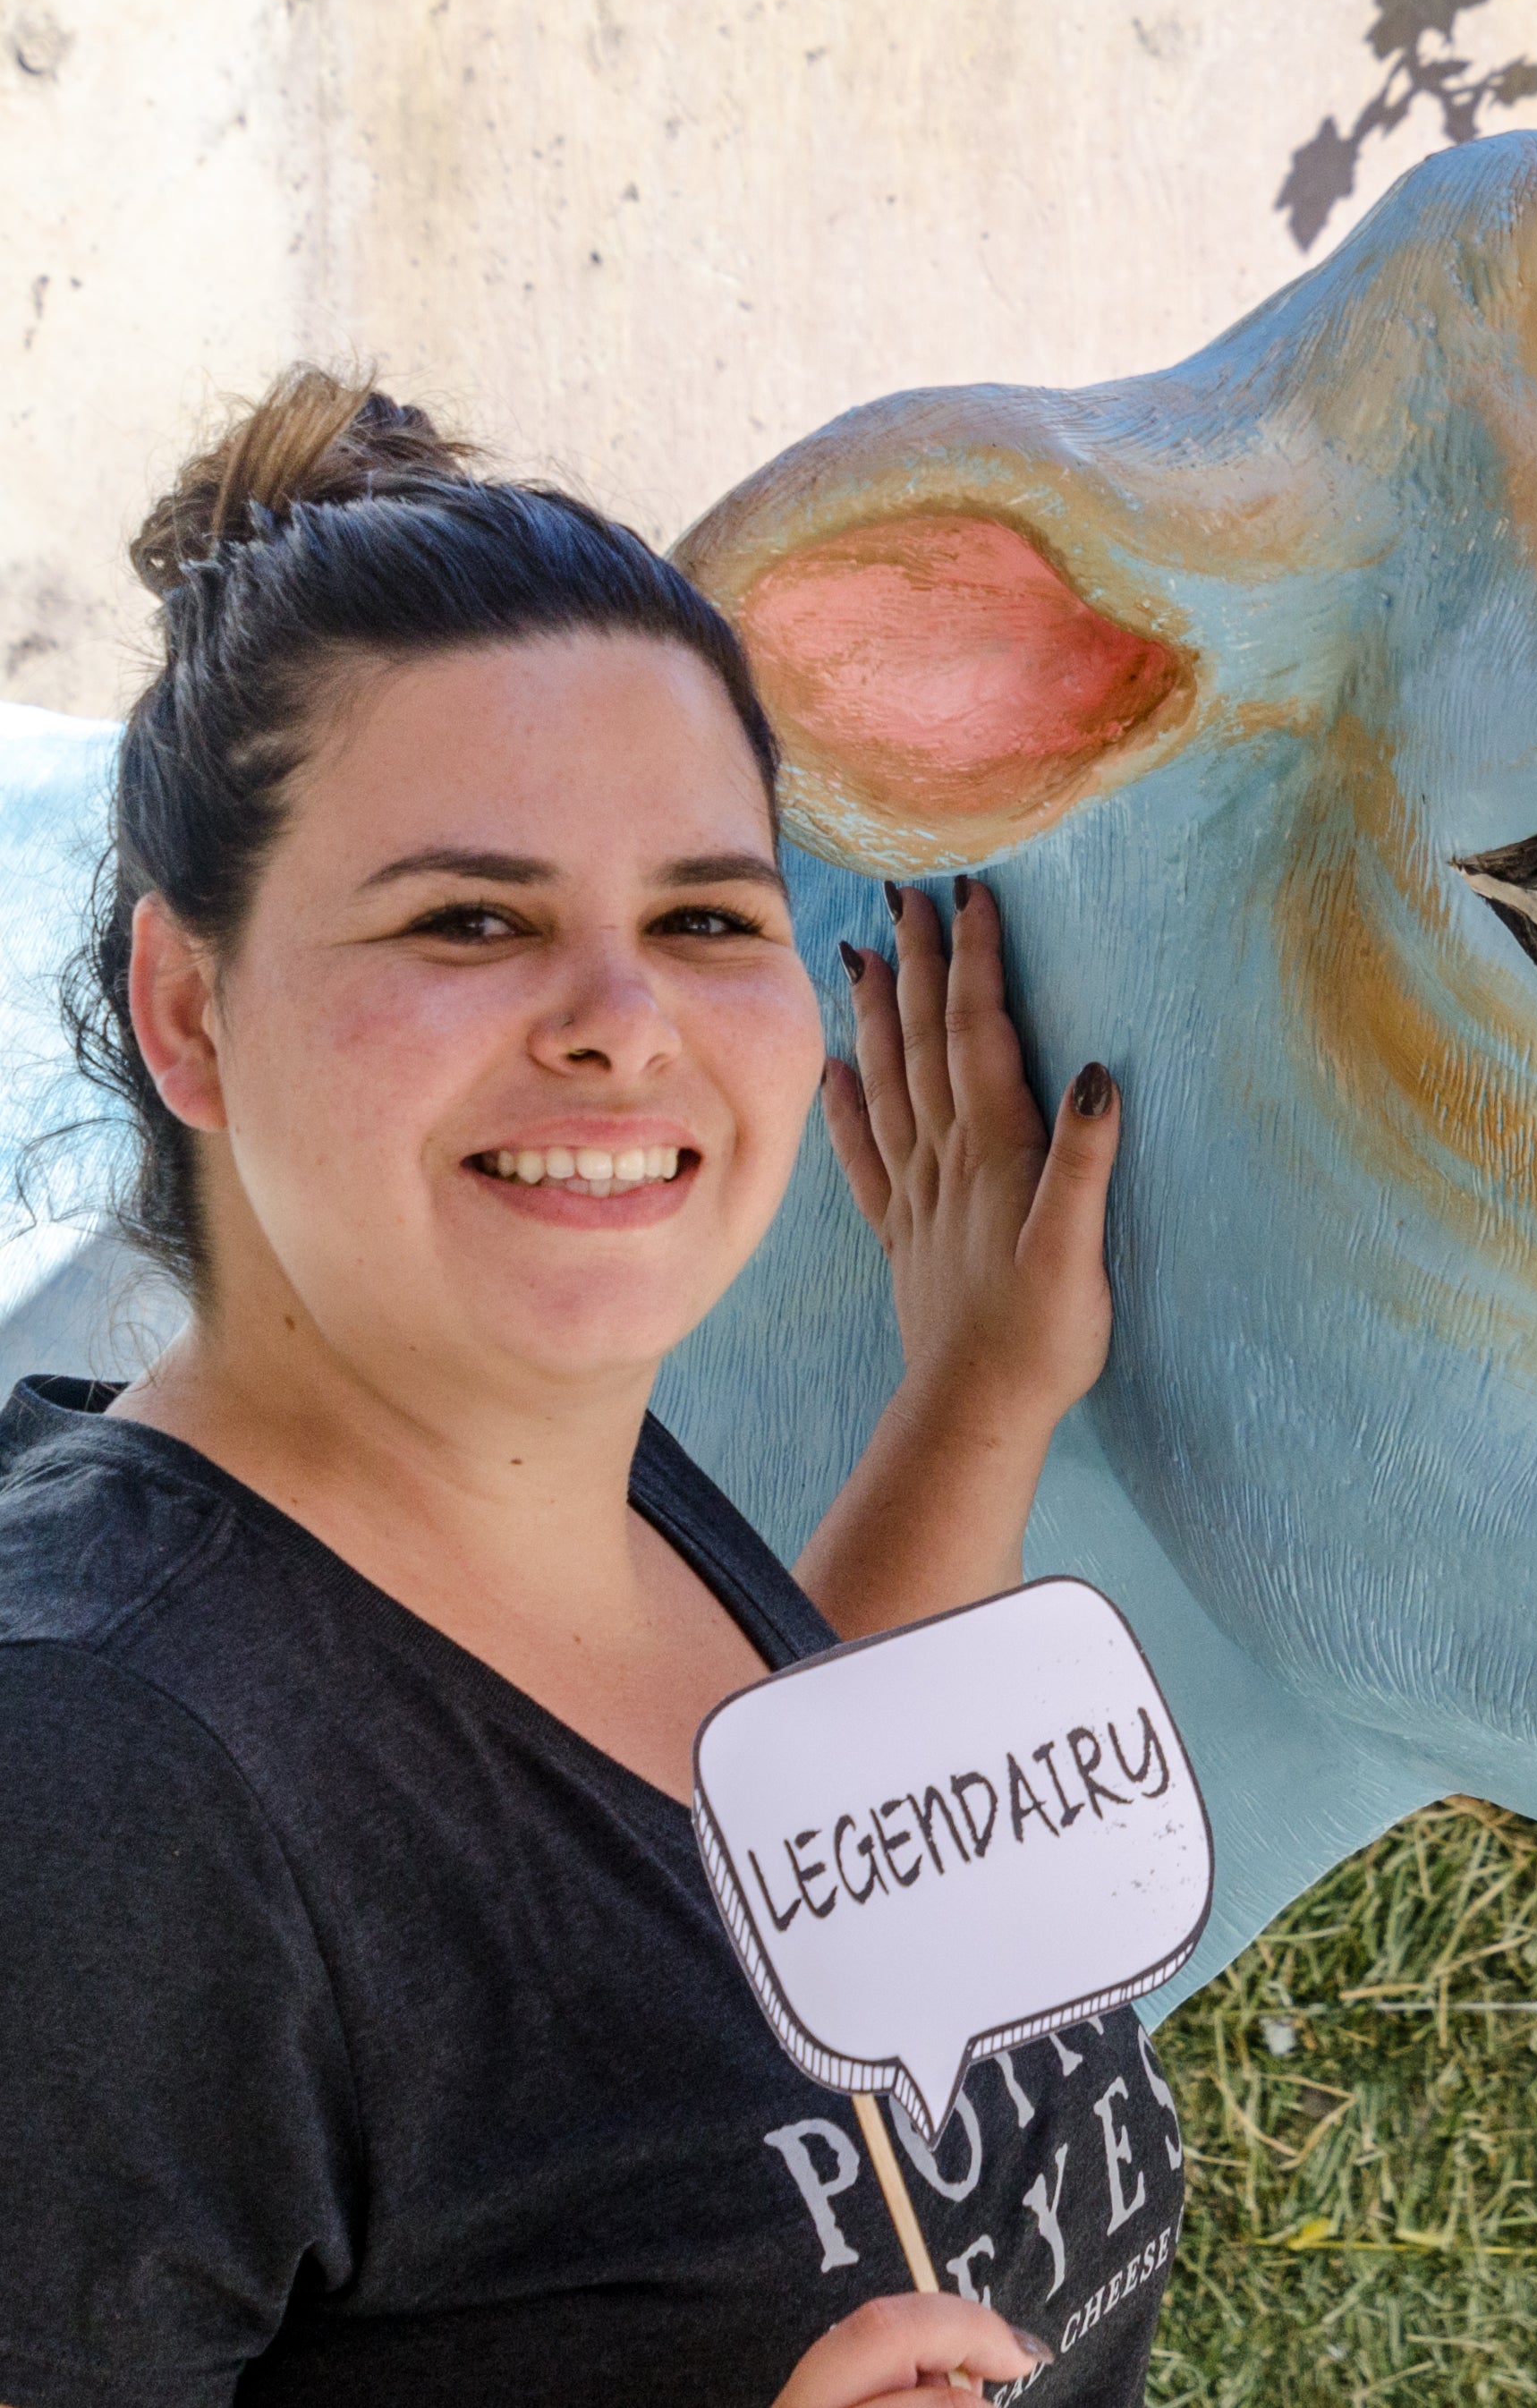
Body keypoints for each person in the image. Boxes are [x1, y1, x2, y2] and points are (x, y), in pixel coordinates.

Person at [0, 370, 1167, 2405]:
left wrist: (978, 1394)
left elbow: (710, 1931)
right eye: (471, 919)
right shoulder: (101, 1798)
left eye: (706, 916)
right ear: (191, 1009)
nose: (624, 1024)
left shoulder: (573, 1485)